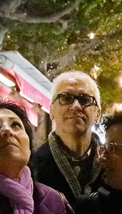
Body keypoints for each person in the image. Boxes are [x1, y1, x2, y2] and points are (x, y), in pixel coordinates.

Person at [30, 71, 104, 202]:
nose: (75, 106)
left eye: (85, 99)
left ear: (97, 113)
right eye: (65, 98)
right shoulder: (31, 168)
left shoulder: (113, 166)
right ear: (51, 110)